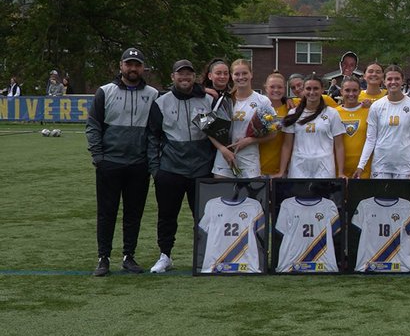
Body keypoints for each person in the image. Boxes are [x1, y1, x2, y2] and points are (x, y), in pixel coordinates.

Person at [86, 47, 158, 276]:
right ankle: (103, 257)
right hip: (110, 163)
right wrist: (98, 157)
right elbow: (93, 125)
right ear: (121, 66)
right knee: (106, 212)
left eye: (137, 64)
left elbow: (155, 132)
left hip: (138, 164)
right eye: (129, 64)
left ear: (143, 67)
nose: (133, 68)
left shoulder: (153, 95)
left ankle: (128, 256)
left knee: (133, 213)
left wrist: (150, 160)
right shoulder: (104, 92)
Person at [146, 59, 216, 274]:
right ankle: (165, 255)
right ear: (172, 77)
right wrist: (155, 170)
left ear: (194, 76)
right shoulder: (161, 102)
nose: (184, 78)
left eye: (188, 74)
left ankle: (206, 256)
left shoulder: (206, 100)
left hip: (201, 169)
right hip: (170, 169)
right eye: (180, 74)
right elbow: (152, 137)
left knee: (204, 217)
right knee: (167, 216)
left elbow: (215, 135)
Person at [355, 66, 410, 180]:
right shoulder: (376, 106)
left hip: (404, 167)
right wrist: (361, 165)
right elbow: (371, 139)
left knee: (402, 198)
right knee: (380, 198)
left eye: (397, 79)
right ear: (384, 81)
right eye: (390, 79)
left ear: (403, 81)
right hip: (380, 165)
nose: (393, 82)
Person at [209, 59, 272, 179]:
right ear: (232, 76)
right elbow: (208, 127)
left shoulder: (262, 101)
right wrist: (223, 149)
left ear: (251, 74)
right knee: (222, 197)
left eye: (244, 73)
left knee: (250, 197)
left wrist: (250, 141)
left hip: (249, 161)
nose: (241, 77)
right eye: (237, 74)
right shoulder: (225, 99)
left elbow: (273, 133)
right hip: (224, 160)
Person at [335, 76, 370, 178]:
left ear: (360, 91)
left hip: (364, 169)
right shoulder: (333, 113)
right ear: (341, 91)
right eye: (347, 90)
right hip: (339, 170)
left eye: (354, 90)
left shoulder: (369, 111)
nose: (351, 94)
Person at [258, 73, 291, 177]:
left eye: (280, 87)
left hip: (281, 169)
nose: (276, 90)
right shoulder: (258, 107)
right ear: (265, 87)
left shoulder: (291, 108)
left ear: (285, 88)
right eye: (272, 87)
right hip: (257, 167)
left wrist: (288, 99)